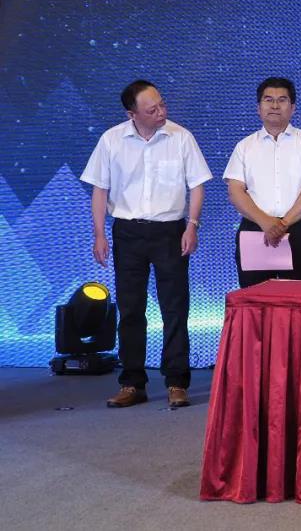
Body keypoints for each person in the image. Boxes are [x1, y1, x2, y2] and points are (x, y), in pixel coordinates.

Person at [80, 80, 212, 409]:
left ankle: (177, 381)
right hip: (128, 233)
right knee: (130, 310)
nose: (161, 112)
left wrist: (192, 225)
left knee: (175, 309)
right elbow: (100, 190)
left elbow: (197, 185)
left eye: (162, 105)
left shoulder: (181, 137)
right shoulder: (111, 140)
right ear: (132, 114)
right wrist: (99, 234)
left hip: (170, 231)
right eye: (152, 110)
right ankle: (132, 383)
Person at [224, 77, 301, 287]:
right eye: (268, 100)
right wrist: (265, 222)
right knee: (255, 298)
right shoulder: (244, 146)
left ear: (293, 108)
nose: (274, 106)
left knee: (299, 297)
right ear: (258, 108)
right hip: (255, 229)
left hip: (297, 229)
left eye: (282, 100)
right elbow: (235, 191)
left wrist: (283, 224)